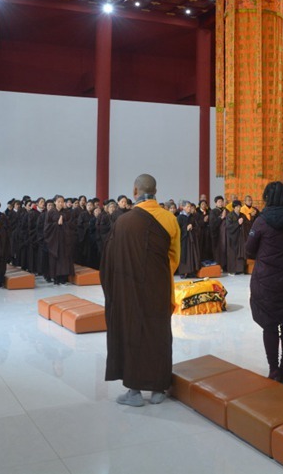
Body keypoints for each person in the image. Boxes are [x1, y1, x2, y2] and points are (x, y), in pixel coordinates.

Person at [102, 174, 180, 407]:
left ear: (135, 191)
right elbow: (174, 259)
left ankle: (134, 391)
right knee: (158, 334)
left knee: (131, 332)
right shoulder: (169, 218)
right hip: (158, 288)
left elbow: (110, 260)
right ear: (155, 191)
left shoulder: (123, 222)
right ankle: (158, 389)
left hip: (128, 290)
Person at [246, 181, 283, 384]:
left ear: (267, 197)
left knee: (269, 326)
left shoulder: (261, 221)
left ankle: (273, 370)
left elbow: (249, 250)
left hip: (265, 282)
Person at [45, 195, 76, 285]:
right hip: (54, 240)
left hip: (65, 240)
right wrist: (57, 224)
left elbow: (72, 225)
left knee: (64, 258)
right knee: (55, 258)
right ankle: (55, 278)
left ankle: (63, 278)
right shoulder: (50, 212)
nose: (60, 203)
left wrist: (63, 223)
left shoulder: (67, 212)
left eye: (62, 202)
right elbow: (47, 227)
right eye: (58, 201)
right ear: (55, 202)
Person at [176, 202, 201, 278]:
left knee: (192, 254)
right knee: (184, 255)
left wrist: (192, 227)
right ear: (183, 207)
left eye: (190, 207)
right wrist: (185, 229)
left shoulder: (192, 217)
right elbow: (177, 229)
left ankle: (191, 271)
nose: (189, 208)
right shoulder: (180, 217)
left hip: (192, 239)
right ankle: (183, 272)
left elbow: (198, 227)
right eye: (187, 207)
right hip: (184, 239)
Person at [224, 201, 247, 274]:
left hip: (241, 237)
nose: (238, 208)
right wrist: (238, 223)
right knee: (232, 254)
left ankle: (240, 269)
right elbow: (228, 227)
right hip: (232, 237)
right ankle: (233, 270)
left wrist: (243, 224)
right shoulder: (230, 215)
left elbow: (247, 225)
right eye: (237, 207)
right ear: (233, 208)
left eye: (239, 206)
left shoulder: (242, 215)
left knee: (241, 253)